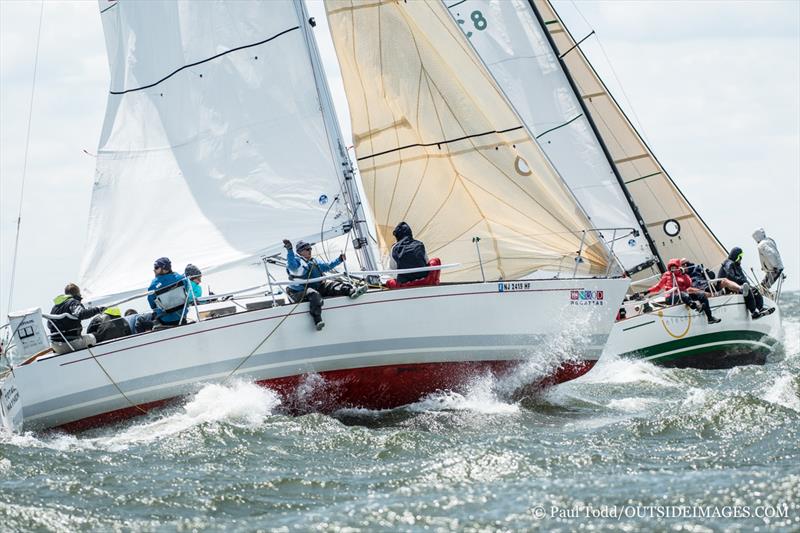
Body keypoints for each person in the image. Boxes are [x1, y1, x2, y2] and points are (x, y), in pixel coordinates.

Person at [283, 239, 366, 330]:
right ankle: (317, 320)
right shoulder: (296, 262)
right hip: (298, 292)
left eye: (310, 249)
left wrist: (339, 260)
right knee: (314, 294)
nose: (310, 251)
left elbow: (327, 266)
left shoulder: (314, 261)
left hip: (317, 287)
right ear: (300, 252)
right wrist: (289, 250)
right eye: (307, 249)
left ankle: (351, 291)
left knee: (332, 285)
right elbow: (292, 266)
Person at [647, 258, 721, 324]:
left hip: (684, 296)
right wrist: (647, 291)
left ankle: (710, 318)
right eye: (671, 267)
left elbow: (688, 284)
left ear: (678, 267)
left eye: (675, 267)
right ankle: (696, 307)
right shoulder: (666, 275)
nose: (673, 269)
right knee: (682, 294)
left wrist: (684, 274)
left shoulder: (682, 274)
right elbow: (658, 286)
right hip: (671, 297)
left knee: (701, 295)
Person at [718, 247, 774, 319]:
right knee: (748, 290)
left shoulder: (737, 266)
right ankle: (753, 312)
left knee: (754, 290)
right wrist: (742, 282)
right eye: (740, 257)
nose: (741, 259)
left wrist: (745, 282)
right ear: (737, 257)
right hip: (729, 287)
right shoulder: (728, 263)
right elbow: (730, 277)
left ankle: (760, 308)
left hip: (739, 285)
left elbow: (744, 278)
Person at [47, 283, 104, 354]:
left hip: (56, 346)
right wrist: (98, 310)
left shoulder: (55, 307)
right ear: (77, 294)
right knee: (97, 335)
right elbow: (81, 314)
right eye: (80, 295)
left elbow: (49, 324)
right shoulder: (73, 302)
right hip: (71, 344)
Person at [147, 257, 188, 327]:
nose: (154, 270)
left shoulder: (153, 285)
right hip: (182, 316)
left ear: (164, 268)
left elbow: (152, 305)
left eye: (156, 267)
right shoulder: (181, 279)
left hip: (165, 320)